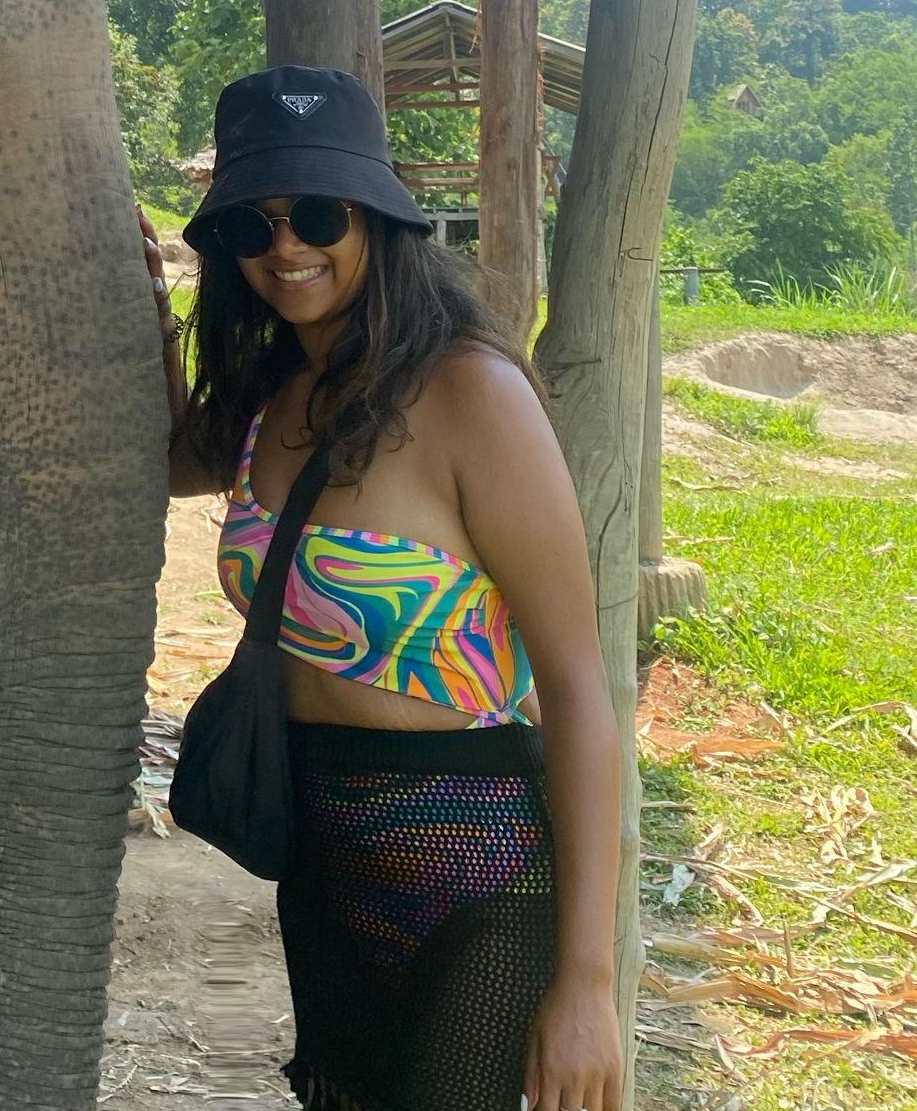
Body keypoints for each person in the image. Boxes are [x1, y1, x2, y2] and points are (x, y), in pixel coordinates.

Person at [145, 65, 622, 1111]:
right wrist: (148, 313)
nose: (285, 246)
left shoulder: (471, 394)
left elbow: (579, 687)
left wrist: (588, 985)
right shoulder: (273, 394)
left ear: (374, 217)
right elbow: (168, 461)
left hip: (477, 869)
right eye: (252, 223)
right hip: (321, 856)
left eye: (318, 213)